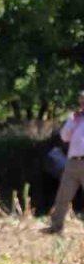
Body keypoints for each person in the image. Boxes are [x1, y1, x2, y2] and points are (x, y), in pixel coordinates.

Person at [45, 90, 84, 234]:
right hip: (73, 162)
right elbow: (64, 137)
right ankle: (56, 227)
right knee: (63, 196)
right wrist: (72, 122)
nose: (82, 102)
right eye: (81, 99)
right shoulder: (75, 118)